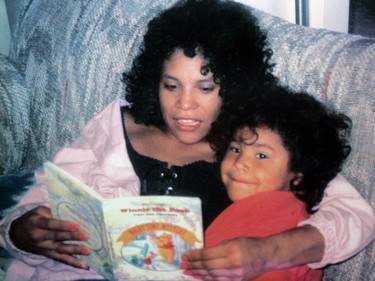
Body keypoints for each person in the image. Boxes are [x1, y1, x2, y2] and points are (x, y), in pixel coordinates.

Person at [0, 0, 374, 280]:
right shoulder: (117, 124)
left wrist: (267, 252)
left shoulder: (253, 142)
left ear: (235, 85)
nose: (184, 105)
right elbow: (48, 192)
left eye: (206, 87)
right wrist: (20, 230)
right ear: (154, 82)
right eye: (171, 85)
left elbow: (354, 215)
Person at [200, 85, 352, 280]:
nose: (240, 164)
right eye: (236, 149)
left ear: (299, 172)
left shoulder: (274, 222)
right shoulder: (254, 209)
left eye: (261, 155)